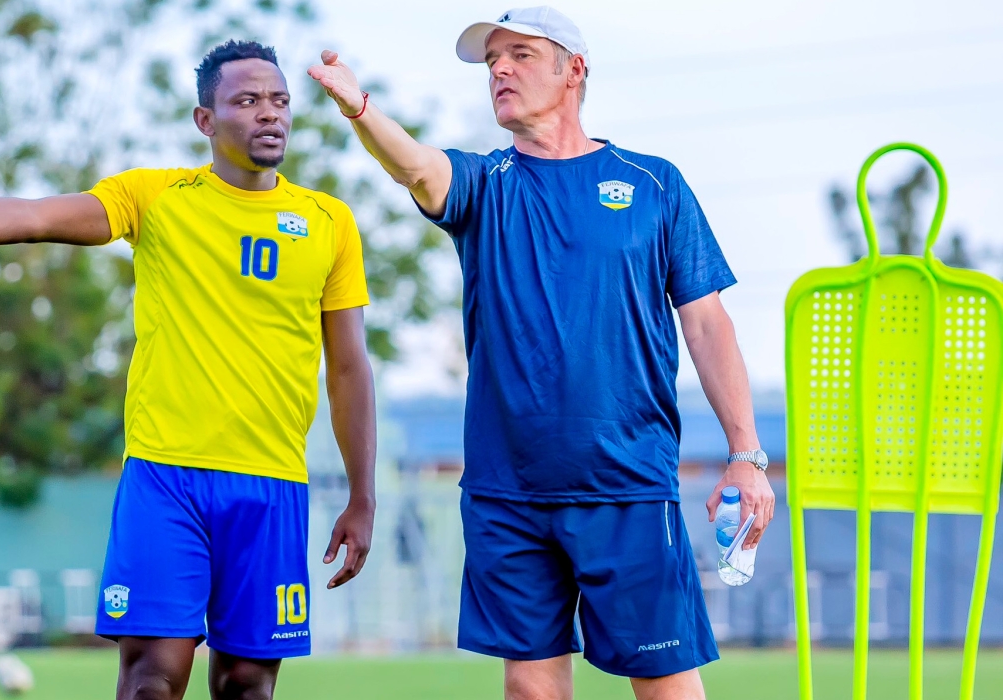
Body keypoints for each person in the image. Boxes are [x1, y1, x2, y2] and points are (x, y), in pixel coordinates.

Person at [0, 39, 377, 700]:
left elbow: (348, 369)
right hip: (165, 479)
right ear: (206, 120)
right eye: (247, 101)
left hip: (271, 489)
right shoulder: (156, 198)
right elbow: (32, 217)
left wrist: (361, 495)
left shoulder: (329, 222)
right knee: (152, 680)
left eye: (280, 101)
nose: (271, 114)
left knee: (246, 687)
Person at [308, 6, 775, 700]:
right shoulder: (484, 185)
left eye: (520, 54)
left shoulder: (654, 185)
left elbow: (707, 326)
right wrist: (359, 109)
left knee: (665, 687)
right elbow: (416, 168)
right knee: (530, 689)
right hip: (507, 492)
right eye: (492, 60)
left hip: (627, 485)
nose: (499, 69)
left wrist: (745, 454)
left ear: (574, 71)